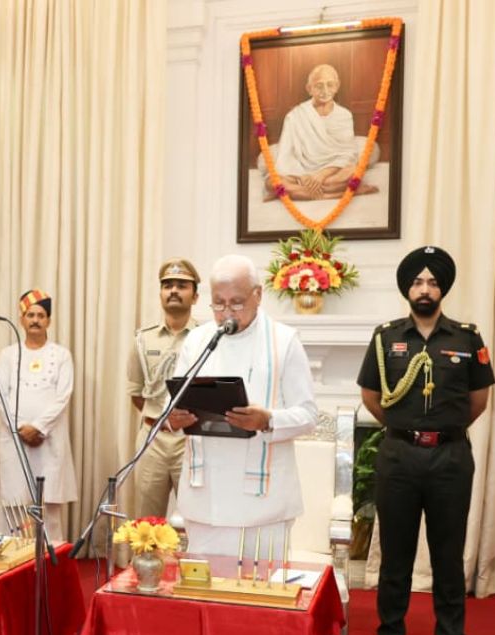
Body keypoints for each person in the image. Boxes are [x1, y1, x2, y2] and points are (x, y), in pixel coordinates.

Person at [357, 246, 495, 635]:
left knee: (448, 554)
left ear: (443, 289)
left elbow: (478, 400)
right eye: (417, 281)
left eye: (433, 282)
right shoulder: (385, 338)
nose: (425, 288)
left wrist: (441, 431)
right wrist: (407, 428)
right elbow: (372, 398)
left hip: (450, 458)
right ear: (407, 288)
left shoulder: (467, 338)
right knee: (396, 552)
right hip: (399, 456)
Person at [168, 255, 318, 560]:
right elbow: (170, 408)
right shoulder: (197, 341)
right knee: (207, 594)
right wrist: (174, 418)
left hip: (263, 503)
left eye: (236, 303)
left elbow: (308, 415)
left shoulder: (284, 341)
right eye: (218, 304)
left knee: (259, 597)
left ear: (258, 295)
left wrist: (267, 420)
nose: (226, 313)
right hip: (206, 496)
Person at [0, 289, 78, 543]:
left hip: (49, 440)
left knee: (49, 508)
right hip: (16, 440)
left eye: (40, 315)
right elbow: (0, 395)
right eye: (30, 315)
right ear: (21, 319)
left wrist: (39, 427)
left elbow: (63, 395)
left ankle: (52, 567)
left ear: (48, 321)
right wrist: (21, 427)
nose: (35, 320)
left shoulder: (62, 354)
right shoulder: (8, 354)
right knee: (14, 505)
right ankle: (9, 566)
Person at [125, 258, 201, 519]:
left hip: (191, 439)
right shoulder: (143, 338)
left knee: (197, 518)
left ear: (195, 296)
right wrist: (162, 419)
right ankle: (147, 562)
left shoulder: (206, 336)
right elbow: (137, 392)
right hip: (153, 437)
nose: (174, 291)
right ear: (160, 294)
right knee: (147, 521)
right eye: (167, 285)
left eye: (182, 285)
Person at [265, 64, 376, 202]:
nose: (325, 90)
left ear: (337, 86)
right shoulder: (295, 116)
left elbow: (347, 154)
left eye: (330, 85)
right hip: (302, 172)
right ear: (309, 89)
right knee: (272, 182)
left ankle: (301, 193)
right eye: (319, 86)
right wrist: (303, 176)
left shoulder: (344, 115)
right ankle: (336, 194)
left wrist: (321, 175)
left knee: (354, 171)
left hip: (332, 172)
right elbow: (286, 155)